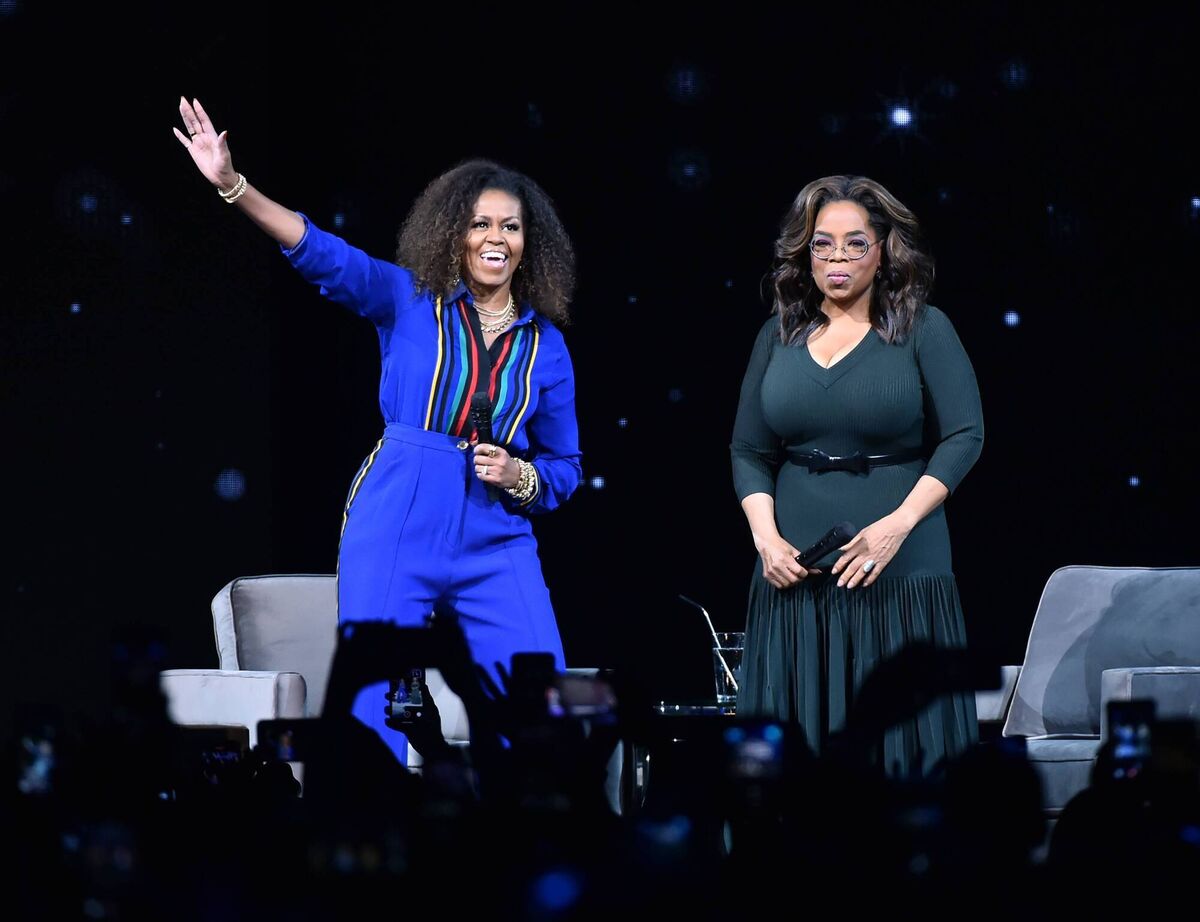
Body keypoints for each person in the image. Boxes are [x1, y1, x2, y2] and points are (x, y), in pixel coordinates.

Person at [173, 97, 583, 760]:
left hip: (497, 537)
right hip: (399, 512)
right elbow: (317, 250)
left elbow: (566, 466)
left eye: (510, 227)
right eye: (480, 225)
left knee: (538, 703)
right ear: (456, 235)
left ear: (527, 241)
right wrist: (232, 185)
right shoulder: (406, 299)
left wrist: (521, 474)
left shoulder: (548, 348)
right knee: (373, 712)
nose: (495, 239)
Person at [730, 174, 983, 777]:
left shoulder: (924, 328)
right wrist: (766, 539)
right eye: (823, 244)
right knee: (795, 757)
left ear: (883, 248)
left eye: (854, 243)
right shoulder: (778, 335)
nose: (837, 258)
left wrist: (895, 527)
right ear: (804, 251)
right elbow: (748, 448)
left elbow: (965, 436)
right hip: (793, 576)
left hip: (899, 570)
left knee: (900, 750)